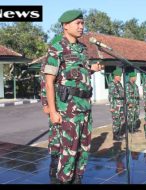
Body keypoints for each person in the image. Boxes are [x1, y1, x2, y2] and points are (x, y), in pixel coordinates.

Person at [44, 9, 102, 184]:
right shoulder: (57, 48)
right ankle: (64, 180)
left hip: (85, 106)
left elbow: (77, 75)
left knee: (83, 149)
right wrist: (53, 111)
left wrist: (91, 70)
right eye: (77, 23)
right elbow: (49, 82)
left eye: (82, 23)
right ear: (65, 26)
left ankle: (77, 179)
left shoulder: (82, 49)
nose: (81, 26)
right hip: (68, 108)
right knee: (68, 150)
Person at [40, 35, 62, 179]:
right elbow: (45, 85)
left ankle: (61, 164)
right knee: (55, 136)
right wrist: (46, 104)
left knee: (63, 137)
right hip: (54, 105)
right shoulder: (48, 62)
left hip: (64, 104)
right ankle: (53, 166)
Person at [108, 68, 125, 141]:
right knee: (116, 121)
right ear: (115, 76)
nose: (120, 78)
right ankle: (115, 136)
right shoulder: (112, 84)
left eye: (120, 76)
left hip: (121, 104)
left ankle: (119, 134)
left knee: (121, 120)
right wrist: (112, 107)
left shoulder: (119, 84)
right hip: (115, 105)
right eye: (119, 76)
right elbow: (111, 96)